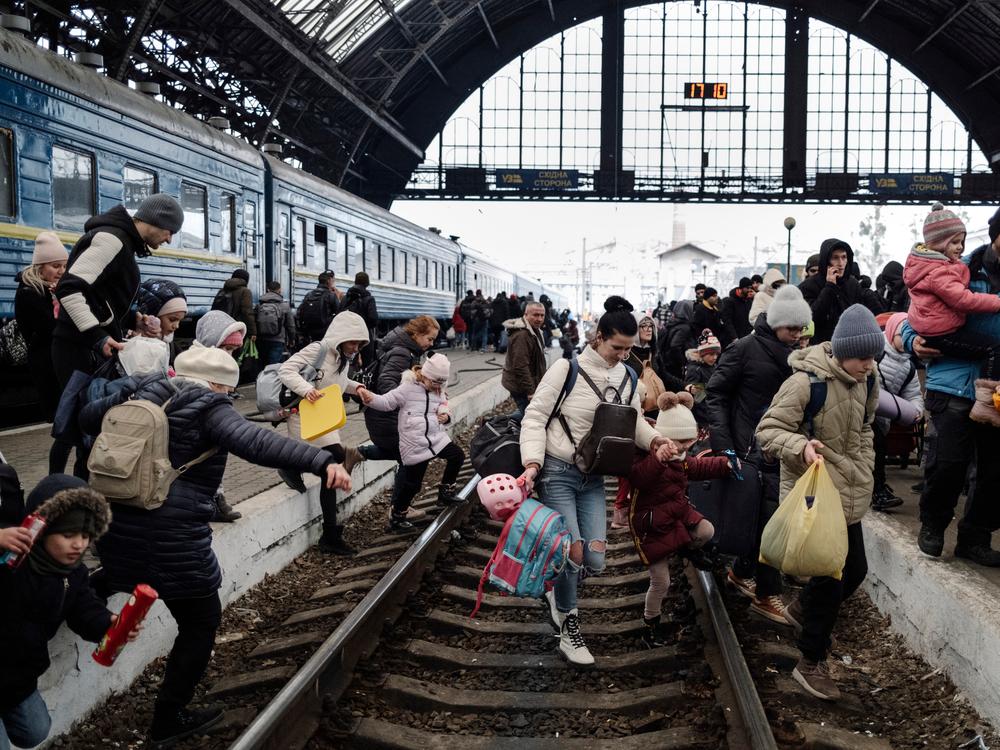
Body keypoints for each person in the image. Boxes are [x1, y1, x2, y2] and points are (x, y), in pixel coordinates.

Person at [80, 345, 351, 745]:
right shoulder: (209, 405)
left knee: (122, 574)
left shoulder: (144, 387)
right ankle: (168, 720)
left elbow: (84, 417)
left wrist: (124, 395)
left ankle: (87, 603)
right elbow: (256, 442)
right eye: (228, 391)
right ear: (216, 385)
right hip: (173, 537)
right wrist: (322, 461)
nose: (229, 398)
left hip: (117, 521)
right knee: (200, 622)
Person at [517, 295, 679, 666]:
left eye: (629, 349)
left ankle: (558, 591)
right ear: (599, 337)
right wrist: (531, 464)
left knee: (595, 558)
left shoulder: (628, 375)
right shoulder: (565, 370)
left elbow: (633, 420)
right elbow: (534, 416)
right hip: (558, 471)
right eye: (617, 347)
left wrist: (655, 440)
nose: (623, 355)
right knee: (572, 553)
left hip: (593, 478)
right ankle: (569, 629)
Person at [756, 304, 883, 701]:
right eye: (863, 356)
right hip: (814, 494)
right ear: (844, 350)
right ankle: (810, 662)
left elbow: (865, 426)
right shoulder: (805, 383)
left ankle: (800, 609)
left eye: (873, 357)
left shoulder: (868, 378)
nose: (869, 364)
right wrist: (801, 447)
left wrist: (862, 464)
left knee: (855, 571)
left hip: (849, 491)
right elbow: (768, 430)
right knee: (832, 582)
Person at [0, 475, 142, 750]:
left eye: (86, 536)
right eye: (68, 535)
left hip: (19, 677)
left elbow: (83, 608)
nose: (79, 544)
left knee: (35, 731)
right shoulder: (11, 565)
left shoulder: (72, 573)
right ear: (41, 530)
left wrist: (109, 623)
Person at [707, 284, 813, 624]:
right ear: (777, 322)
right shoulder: (744, 349)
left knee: (769, 520)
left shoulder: (798, 356)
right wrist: (725, 444)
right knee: (769, 521)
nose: (797, 335)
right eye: (791, 328)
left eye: (801, 329)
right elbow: (716, 394)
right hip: (749, 448)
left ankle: (741, 571)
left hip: (783, 448)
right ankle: (767, 594)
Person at [901, 206, 1000, 566]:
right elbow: (909, 315)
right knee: (948, 463)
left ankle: (975, 537)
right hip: (954, 384)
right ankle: (933, 525)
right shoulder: (957, 267)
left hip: (998, 393)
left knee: (994, 470)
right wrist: (911, 339)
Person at [624, 392, 731, 648]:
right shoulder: (644, 453)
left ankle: (686, 548)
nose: (684, 447)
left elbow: (697, 467)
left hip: (674, 514)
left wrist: (725, 465)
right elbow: (638, 479)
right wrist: (658, 459)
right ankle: (651, 626)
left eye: (689, 441)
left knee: (705, 531)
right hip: (650, 525)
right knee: (661, 581)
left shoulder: (681, 457)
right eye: (680, 441)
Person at [51, 193, 183, 385]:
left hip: (84, 346)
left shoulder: (122, 243)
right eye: (170, 231)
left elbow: (100, 297)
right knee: (81, 413)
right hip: (80, 349)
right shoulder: (112, 241)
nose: (169, 239)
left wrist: (132, 320)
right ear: (156, 220)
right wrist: (97, 337)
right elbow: (69, 289)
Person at [277, 312, 371, 555]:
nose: (356, 347)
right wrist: (307, 390)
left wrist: (356, 386)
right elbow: (286, 371)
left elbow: (338, 382)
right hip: (304, 417)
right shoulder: (317, 350)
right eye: (353, 342)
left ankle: (289, 464)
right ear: (340, 337)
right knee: (333, 465)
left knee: (332, 465)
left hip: (324, 419)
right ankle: (330, 535)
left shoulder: (343, 357)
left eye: (360, 344)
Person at [903, 204, 1000, 423]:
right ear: (995, 234)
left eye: (960, 242)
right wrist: (912, 340)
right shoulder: (953, 269)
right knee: (949, 457)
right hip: (953, 390)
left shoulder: (945, 268)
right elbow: (912, 316)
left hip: (992, 400)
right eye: (955, 242)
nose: (959, 247)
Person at [362, 315, 441, 530]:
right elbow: (386, 383)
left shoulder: (405, 350)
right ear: (415, 334)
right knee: (412, 457)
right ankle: (398, 511)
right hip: (385, 418)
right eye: (429, 339)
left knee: (407, 455)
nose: (431, 344)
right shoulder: (402, 353)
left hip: (384, 416)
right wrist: (409, 400)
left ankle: (359, 454)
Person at [360, 354, 466, 509]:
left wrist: (446, 415)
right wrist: (371, 398)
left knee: (457, 455)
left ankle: (446, 492)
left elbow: (443, 403)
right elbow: (387, 402)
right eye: (434, 382)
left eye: (441, 384)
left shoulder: (439, 388)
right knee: (412, 485)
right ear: (425, 375)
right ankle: (398, 513)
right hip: (415, 442)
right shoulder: (407, 388)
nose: (437, 387)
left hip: (435, 437)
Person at [14, 232, 69, 474]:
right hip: (48, 365)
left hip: (58, 361)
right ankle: (55, 479)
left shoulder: (52, 290)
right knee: (64, 427)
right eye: (55, 266)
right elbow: (50, 328)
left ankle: (57, 478)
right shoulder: (30, 293)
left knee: (67, 428)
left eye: (64, 266)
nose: (61, 271)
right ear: (40, 266)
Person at [872, 313, 923, 512]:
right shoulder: (876, 350)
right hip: (862, 415)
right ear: (892, 332)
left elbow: (914, 395)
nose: (908, 339)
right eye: (904, 334)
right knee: (874, 449)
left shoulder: (909, 366)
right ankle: (877, 492)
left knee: (879, 451)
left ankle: (876, 487)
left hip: (883, 418)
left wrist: (916, 410)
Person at [798, 239, 883, 344]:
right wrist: (829, 287)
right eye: (835, 258)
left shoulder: (852, 283)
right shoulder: (807, 286)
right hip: (820, 349)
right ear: (826, 260)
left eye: (844, 257)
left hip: (849, 346)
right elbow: (812, 317)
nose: (841, 263)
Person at [501, 301, 547, 418]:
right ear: (526, 315)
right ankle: (494, 423)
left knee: (528, 413)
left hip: (528, 382)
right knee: (531, 416)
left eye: (542, 315)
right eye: (535, 315)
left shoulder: (534, 331)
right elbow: (520, 366)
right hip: (520, 385)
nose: (539, 319)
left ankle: (500, 423)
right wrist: (530, 391)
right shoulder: (522, 336)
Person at [134, 279, 187, 350]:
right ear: (152, 314)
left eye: (180, 320)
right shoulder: (132, 341)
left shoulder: (171, 345)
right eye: (172, 319)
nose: (177, 326)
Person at [340, 272, 379, 363]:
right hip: (363, 334)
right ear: (367, 283)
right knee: (367, 361)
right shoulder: (369, 299)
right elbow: (373, 319)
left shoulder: (346, 298)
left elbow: (340, 314)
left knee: (347, 360)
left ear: (355, 281)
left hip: (347, 334)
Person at [684, 330, 720, 426]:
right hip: (703, 416)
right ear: (702, 354)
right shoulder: (695, 369)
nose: (715, 357)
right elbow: (697, 397)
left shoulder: (714, 366)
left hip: (714, 409)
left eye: (716, 354)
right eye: (711, 354)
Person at [255, 281, 296, 366]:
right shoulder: (284, 306)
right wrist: (292, 339)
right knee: (273, 366)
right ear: (279, 290)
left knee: (262, 364)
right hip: (278, 340)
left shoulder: (259, 305)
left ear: (268, 289)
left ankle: (261, 378)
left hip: (262, 339)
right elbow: (290, 325)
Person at [212, 269, 256, 344]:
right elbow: (247, 313)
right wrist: (252, 332)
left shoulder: (222, 291)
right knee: (235, 352)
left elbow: (213, 309)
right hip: (237, 328)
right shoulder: (245, 291)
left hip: (222, 327)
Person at [297, 271, 340, 344]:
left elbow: (300, 312)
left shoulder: (309, 295)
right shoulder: (331, 295)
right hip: (325, 332)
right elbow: (339, 314)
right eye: (333, 280)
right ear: (329, 280)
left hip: (310, 332)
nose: (333, 282)